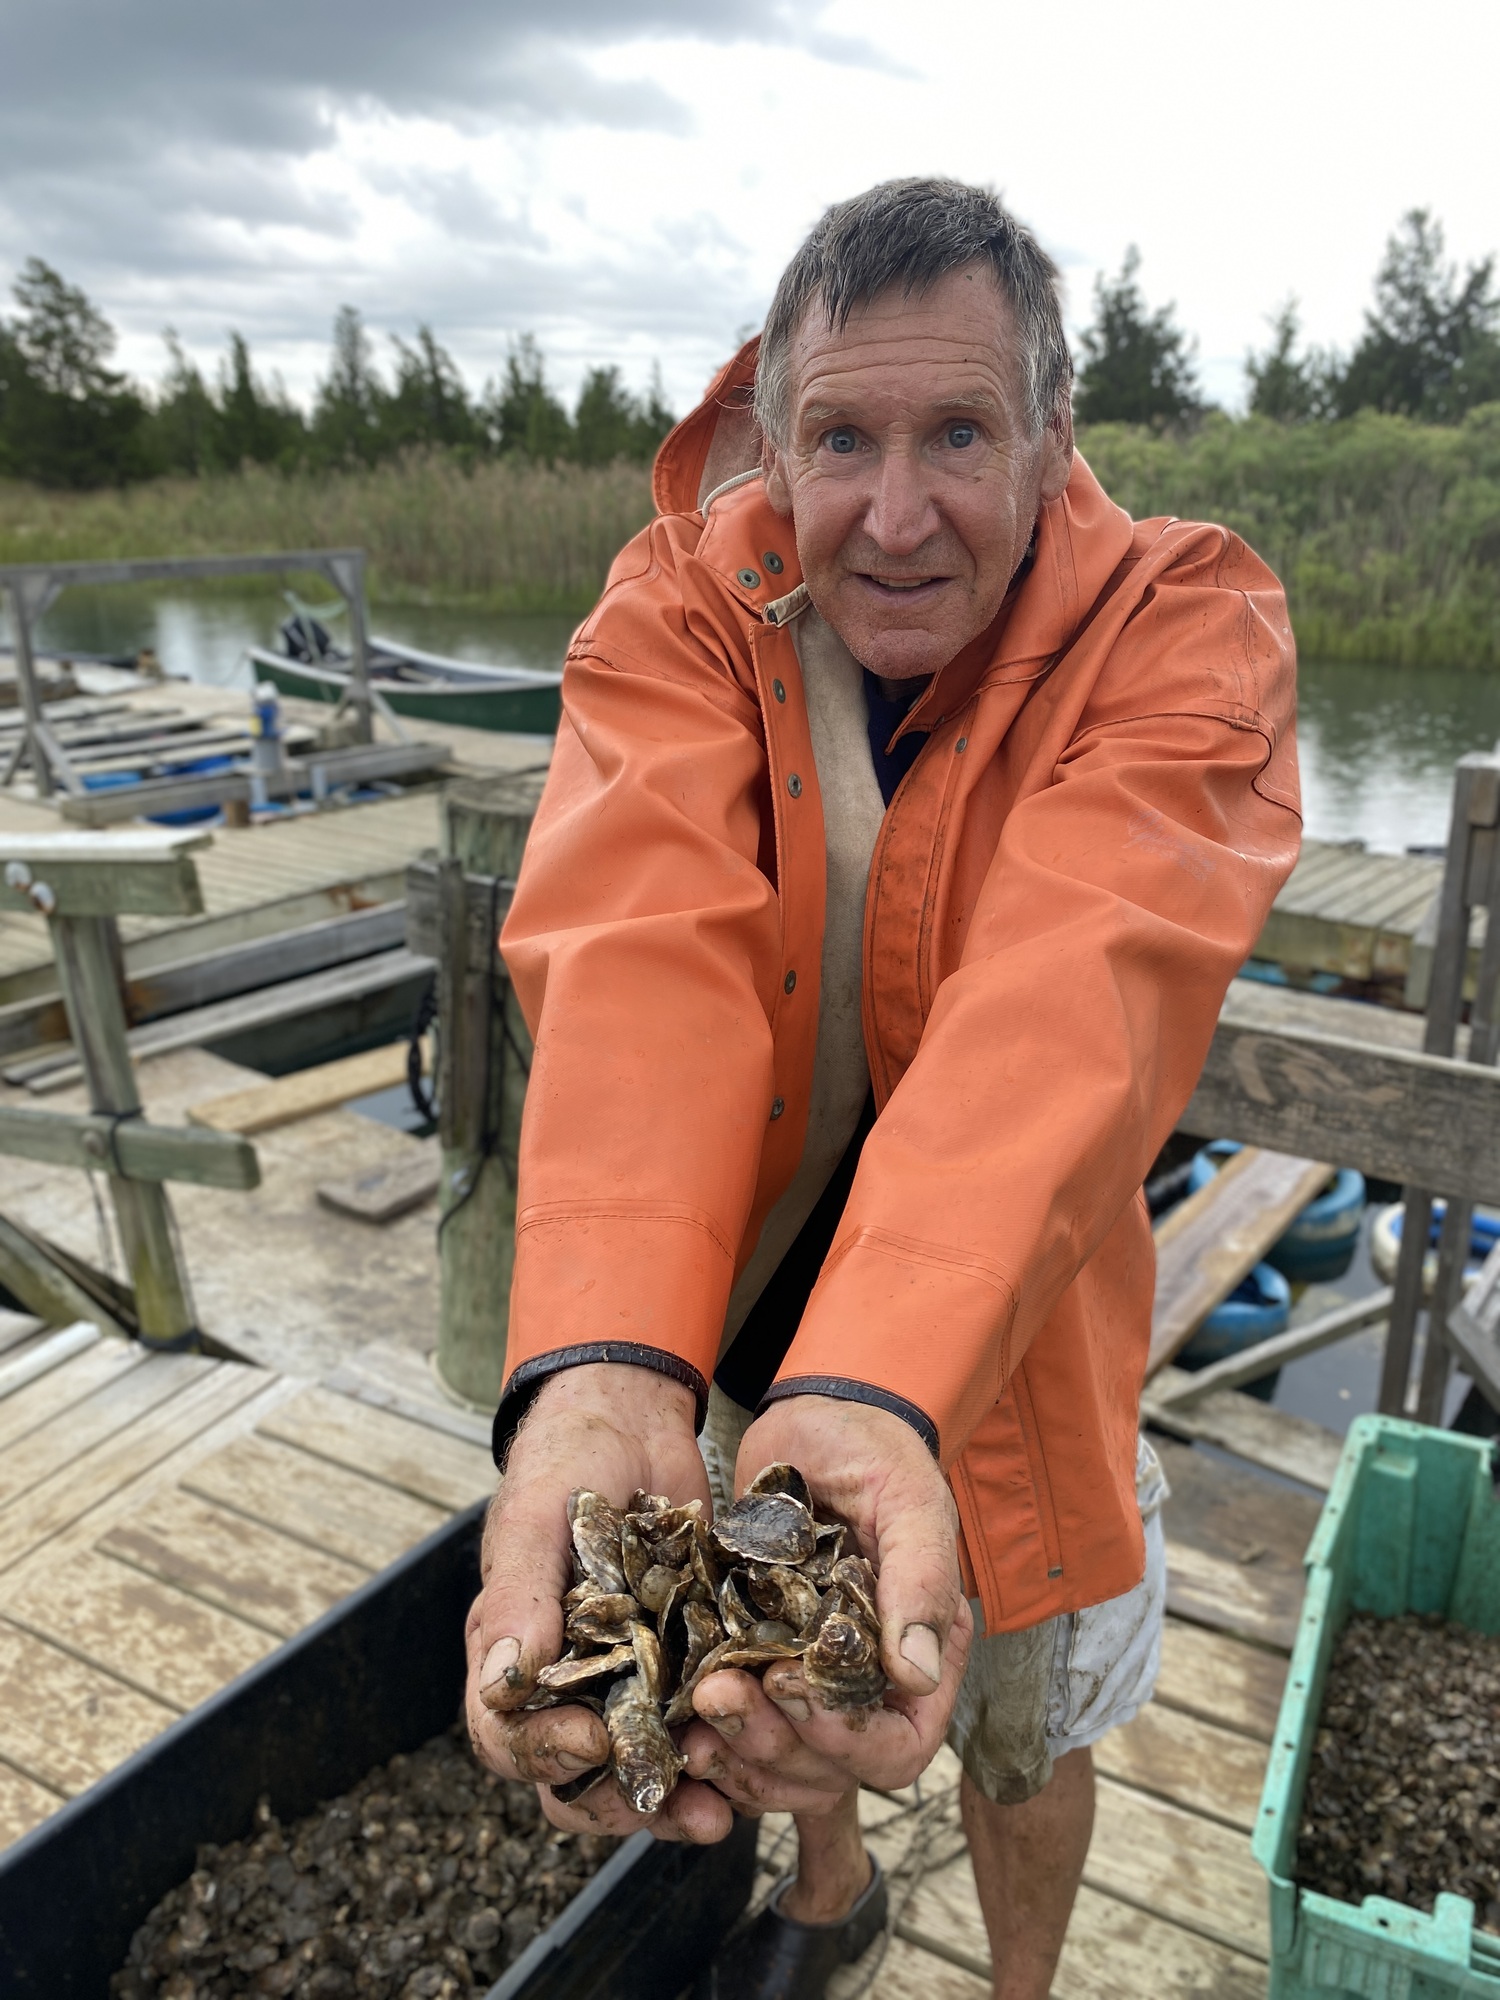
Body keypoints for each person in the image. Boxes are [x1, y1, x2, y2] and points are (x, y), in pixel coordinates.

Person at [464, 177, 1300, 2000]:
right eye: (841, 435)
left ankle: (1016, 1988)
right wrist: (606, 1356)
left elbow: (1082, 991)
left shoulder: (1184, 628)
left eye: (959, 435)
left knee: (1025, 1728)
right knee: (770, 1677)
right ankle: (831, 1900)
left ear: (1053, 437)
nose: (897, 513)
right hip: (734, 1305)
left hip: (1019, 1343)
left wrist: (881, 1375)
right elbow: (635, 942)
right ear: (772, 438)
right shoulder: (683, 606)